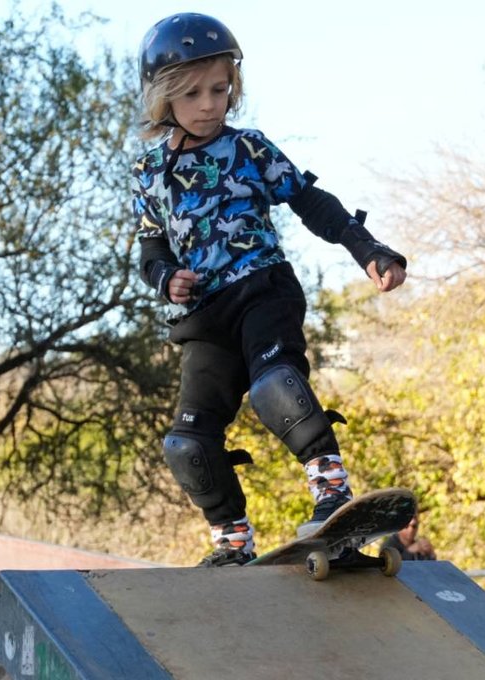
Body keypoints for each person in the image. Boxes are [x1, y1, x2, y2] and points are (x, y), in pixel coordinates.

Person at [130, 13, 408, 567]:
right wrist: (167, 279)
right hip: (205, 319)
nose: (210, 104)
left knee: (275, 386)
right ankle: (231, 543)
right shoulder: (149, 174)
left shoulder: (250, 149)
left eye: (220, 88)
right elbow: (151, 250)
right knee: (186, 444)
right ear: (163, 98)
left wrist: (369, 249)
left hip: (263, 290)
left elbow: (312, 202)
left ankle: (331, 492)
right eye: (193, 93)